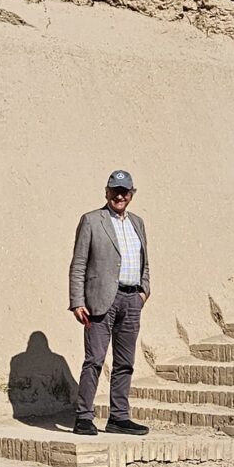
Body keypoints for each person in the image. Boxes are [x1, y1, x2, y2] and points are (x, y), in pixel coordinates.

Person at [68, 172, 150, 437]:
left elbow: (144, 262)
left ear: (131, 194)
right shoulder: (92, 220)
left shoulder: (138, 223)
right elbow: (79, 263)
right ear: (106, 192)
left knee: (125, 362)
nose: (119, 196)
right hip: (100, 301)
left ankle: (119, 417)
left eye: (125, 191)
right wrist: (77, 301)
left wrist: (143, 291)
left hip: (131, 299)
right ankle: (83, 417)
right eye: (115, 190)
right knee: (94, 360)